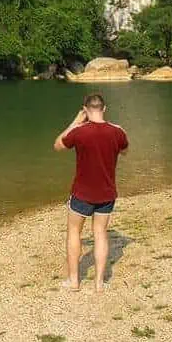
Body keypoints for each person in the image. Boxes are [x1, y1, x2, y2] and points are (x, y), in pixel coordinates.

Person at [54, 93, 128, 292]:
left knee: (73, 233)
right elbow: (125, 150)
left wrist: (75, 122)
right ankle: (98, 283)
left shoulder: (79, 131)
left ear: (85, 110)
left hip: (82, 194)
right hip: (106, 193)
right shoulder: (118, 131)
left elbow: (58, 145)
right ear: (104, 109)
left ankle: (74, 281)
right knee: (101, 234)